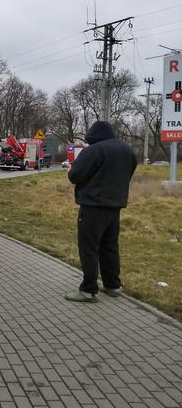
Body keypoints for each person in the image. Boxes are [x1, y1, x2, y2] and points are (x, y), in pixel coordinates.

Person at [65, 121, 137, 303]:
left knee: (89, 248)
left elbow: (76, 176)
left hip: (93, 207)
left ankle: (88, 290)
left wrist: (71, 169)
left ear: (93, 136)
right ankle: (113, 285)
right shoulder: (127, 151)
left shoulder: (94, 150)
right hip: (115, 206)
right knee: (110, 246)